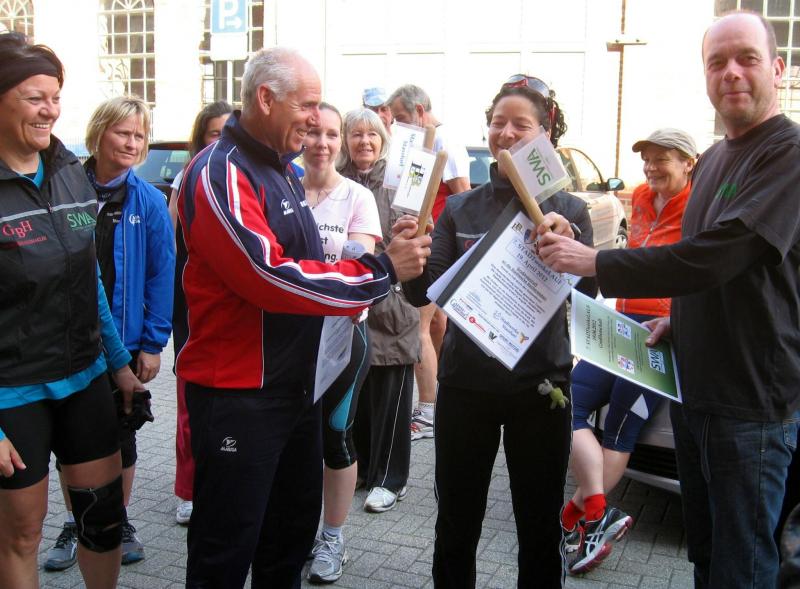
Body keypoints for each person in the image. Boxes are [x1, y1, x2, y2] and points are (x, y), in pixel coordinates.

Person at [538, 12, 800, 588]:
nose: (731, 73)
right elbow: (703, 268)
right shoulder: (717, 157)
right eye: (717, 62)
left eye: (747, 59)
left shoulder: (787, 154)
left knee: (742, 566)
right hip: (692, 390)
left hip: (750, 404)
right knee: (706, 556)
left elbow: (721, 253)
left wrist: (595, 262)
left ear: (778, 69)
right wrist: (677, 320)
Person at [175, 47, 430, 589]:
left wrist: (381, 254)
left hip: (296, 389)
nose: (316, 119)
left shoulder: (279, 169)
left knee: (288, 542)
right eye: (307, 105)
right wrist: (382, 270)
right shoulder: (220, 170)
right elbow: (268, 275)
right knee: (225, 552)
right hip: (239, 395)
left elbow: (312, 264)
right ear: (266, 99)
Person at [402, 76, 595, 587]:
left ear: (544, 133)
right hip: (466, 386)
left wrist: (571, 251)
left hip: (542, 388)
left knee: (538, 525)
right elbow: (423, 293)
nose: (505, 133)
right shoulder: (461, 208)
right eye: (497, 123)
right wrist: (410, 256)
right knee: (457, 521)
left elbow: (589, 299)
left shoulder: (569, 210)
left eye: (520, 125)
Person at [0, 32, 145, 589]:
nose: (50, 110)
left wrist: (119, 364)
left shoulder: (67, 171)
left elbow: (91, 285)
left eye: (55, 97)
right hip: (14, 393)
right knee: (21, 535)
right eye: (35, 97)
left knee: (102, 520)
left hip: (84, 377)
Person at [46, 95, 175, 569]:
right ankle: (75, 522)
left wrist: (153, 343)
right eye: (123, 132)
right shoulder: (62, 189)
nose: (132, 142)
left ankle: (117, 519)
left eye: (140, 135)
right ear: (99, 134)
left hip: (126, 343)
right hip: (67, 343)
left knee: (123, 434)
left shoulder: (150, 201)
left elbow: (162, 275)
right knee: (71, 440)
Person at [563, 128, 697, 574]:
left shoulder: (698, 205)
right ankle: (596, 514)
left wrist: (679, 322)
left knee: (620, 429)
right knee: (566, 404)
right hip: (620, 326)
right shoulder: (638, 196)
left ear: (688, 163)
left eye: (663, 159)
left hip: (662, 335)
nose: (651, 168)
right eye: (647, 159)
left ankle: (580, 520)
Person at [301, 102, 382, 583]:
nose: (322, 143)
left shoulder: (357, 197)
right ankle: (294, 531)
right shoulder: (282, 186)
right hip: (289, 338)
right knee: (292, 438)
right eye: (313, 132)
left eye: (332, 134)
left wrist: (303, 280)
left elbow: (358, 269)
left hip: (342, 336)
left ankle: (332, 537)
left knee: (334, 435)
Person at [338, 107, 421, 514]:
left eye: (372, 134)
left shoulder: (399, 182)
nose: (364, 142)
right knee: (359, 395)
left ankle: (391, 479)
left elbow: (416, 239)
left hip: (392, 303)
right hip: (349, 303)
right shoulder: (338, 180)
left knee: (391, 396)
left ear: (384, 140)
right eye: (356, 134)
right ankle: (362, 469)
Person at [387, 84, 471, 441]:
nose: (397, 126)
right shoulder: (419, 143)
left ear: (420, 111)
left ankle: (427, 410)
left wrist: (455, 250)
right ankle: (444, 400)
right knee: (435, 323)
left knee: (417, 326)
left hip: (435, 249)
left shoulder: (444, 142)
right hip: (426, 242)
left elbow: (464, 198)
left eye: (401, 118)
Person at [167, 99, 233, 526]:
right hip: (193, 305)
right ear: (200, 139)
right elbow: (170, 243)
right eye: (214, 134)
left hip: (236, 309)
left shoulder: (249, 177)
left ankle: (222, 481)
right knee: (190, 402)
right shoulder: (188, 176)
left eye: (229, 133)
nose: (223, 142)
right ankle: (188, 489)